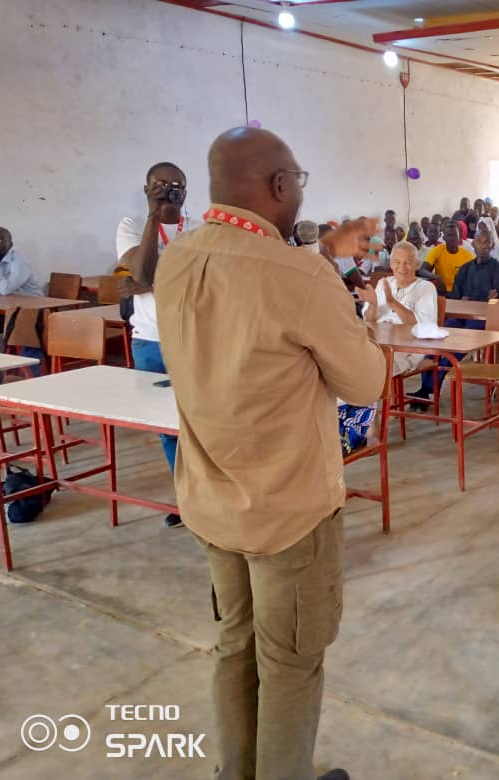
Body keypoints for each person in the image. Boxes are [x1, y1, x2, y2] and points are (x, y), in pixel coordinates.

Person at [155, 127, 385, 780]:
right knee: (289, 663)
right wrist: (358, 316)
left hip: (210, 497)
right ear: (280, 186)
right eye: (298, 182)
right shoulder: (298, 274)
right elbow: (365, 382)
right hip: (288, 510)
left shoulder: (178, 257)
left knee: (235, 647)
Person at [116, 161, 195, 528]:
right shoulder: (132, 225)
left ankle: (210, 495)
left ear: (186, 190)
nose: (168, 191)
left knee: (202, 420)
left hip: (193, 338)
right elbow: (142, 271)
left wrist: (145, 284)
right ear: (146, 190)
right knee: (167, 427)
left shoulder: (198, 228)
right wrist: (153, 217)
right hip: (149, 340)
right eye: (160, 185)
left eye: (176, 185)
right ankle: (188, 498)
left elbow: (199, 282)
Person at [356, 241, 438, 375]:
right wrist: (373, 304)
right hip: (378, 342)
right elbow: (369, 321)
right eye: (397, 262)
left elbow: (421, 326)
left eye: (407, 262)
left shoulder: (426, 288)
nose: (402, 267)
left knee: (370, 368)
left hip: (407, 348)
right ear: (390, 264)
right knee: (348, 360)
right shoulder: (384, 283)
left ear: (417, 265)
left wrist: (392, 302)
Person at [451, 229, 499, 302]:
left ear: (493, 245)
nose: (483, 246)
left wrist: (470, 300)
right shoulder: (464, 269)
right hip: (465, 308)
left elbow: (495, 300)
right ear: (473, 244)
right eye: (479, 241)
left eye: (487, 242)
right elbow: (456, 297)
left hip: (490, 309)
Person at [0, 227, 43, 296]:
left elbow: (5, 289)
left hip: (32, 301)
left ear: (11, 244)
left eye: (1, 241)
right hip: (6, 301)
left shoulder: (20, 261)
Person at [422, 221, 473, 293]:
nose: (452, 238)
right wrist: (436, 277)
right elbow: (422, 270)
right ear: (444, 238)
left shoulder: (467, 255)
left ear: (459, 237)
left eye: (455, 235)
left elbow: (472, 277)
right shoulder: (437, 250)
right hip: (441, 291)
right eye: (449, 235)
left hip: (460, 292)